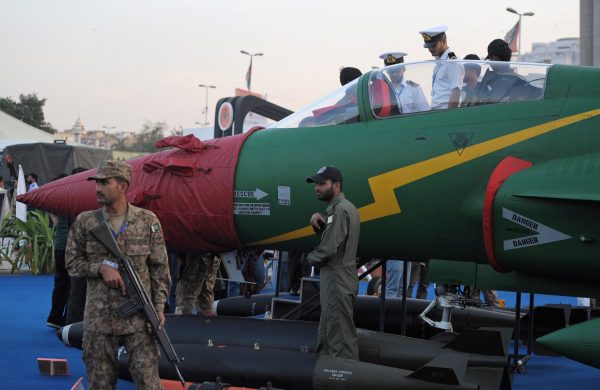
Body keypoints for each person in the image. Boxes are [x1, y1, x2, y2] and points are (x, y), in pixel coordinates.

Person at [65, 160, 170, 389]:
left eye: (105, 182)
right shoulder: (86, 221)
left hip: (140, 319)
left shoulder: (147, 221)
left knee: (149, 382)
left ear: (122, 186)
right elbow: (72, 264)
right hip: (99, 320)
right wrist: (99, 269)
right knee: (100, 384)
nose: (97, 188)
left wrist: (159, 308)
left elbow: (160, 269)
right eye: (96, 182)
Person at [306, 166, 360, 360]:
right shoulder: (344, 208)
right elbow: (338, 241)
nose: (317, 188)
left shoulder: (338, 211)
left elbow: (329, 249)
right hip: (340, 279)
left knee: (340, 340)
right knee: (330, 331)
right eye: (316, 184)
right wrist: (320, 224)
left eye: (322, 183)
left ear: (336, 185)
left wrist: (310, 258)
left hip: (337, 280)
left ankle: (342, 378)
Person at [419, 25, 464, 110]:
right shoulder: (440, 61)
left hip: (445, 113)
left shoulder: (452, 61)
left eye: (433, 45)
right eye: (428, 46)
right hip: (437, 112)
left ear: (443, 41)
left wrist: (450, 115)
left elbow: (456, 91)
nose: (431, 49)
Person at [46, 174, 70, 329]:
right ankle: (69, 319)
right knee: (75, 285)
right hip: (71, 247)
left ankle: (54, 317)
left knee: (61, 282)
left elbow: (53, 215)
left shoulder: (60, 198)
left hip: (60, 245)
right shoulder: (76, 199)